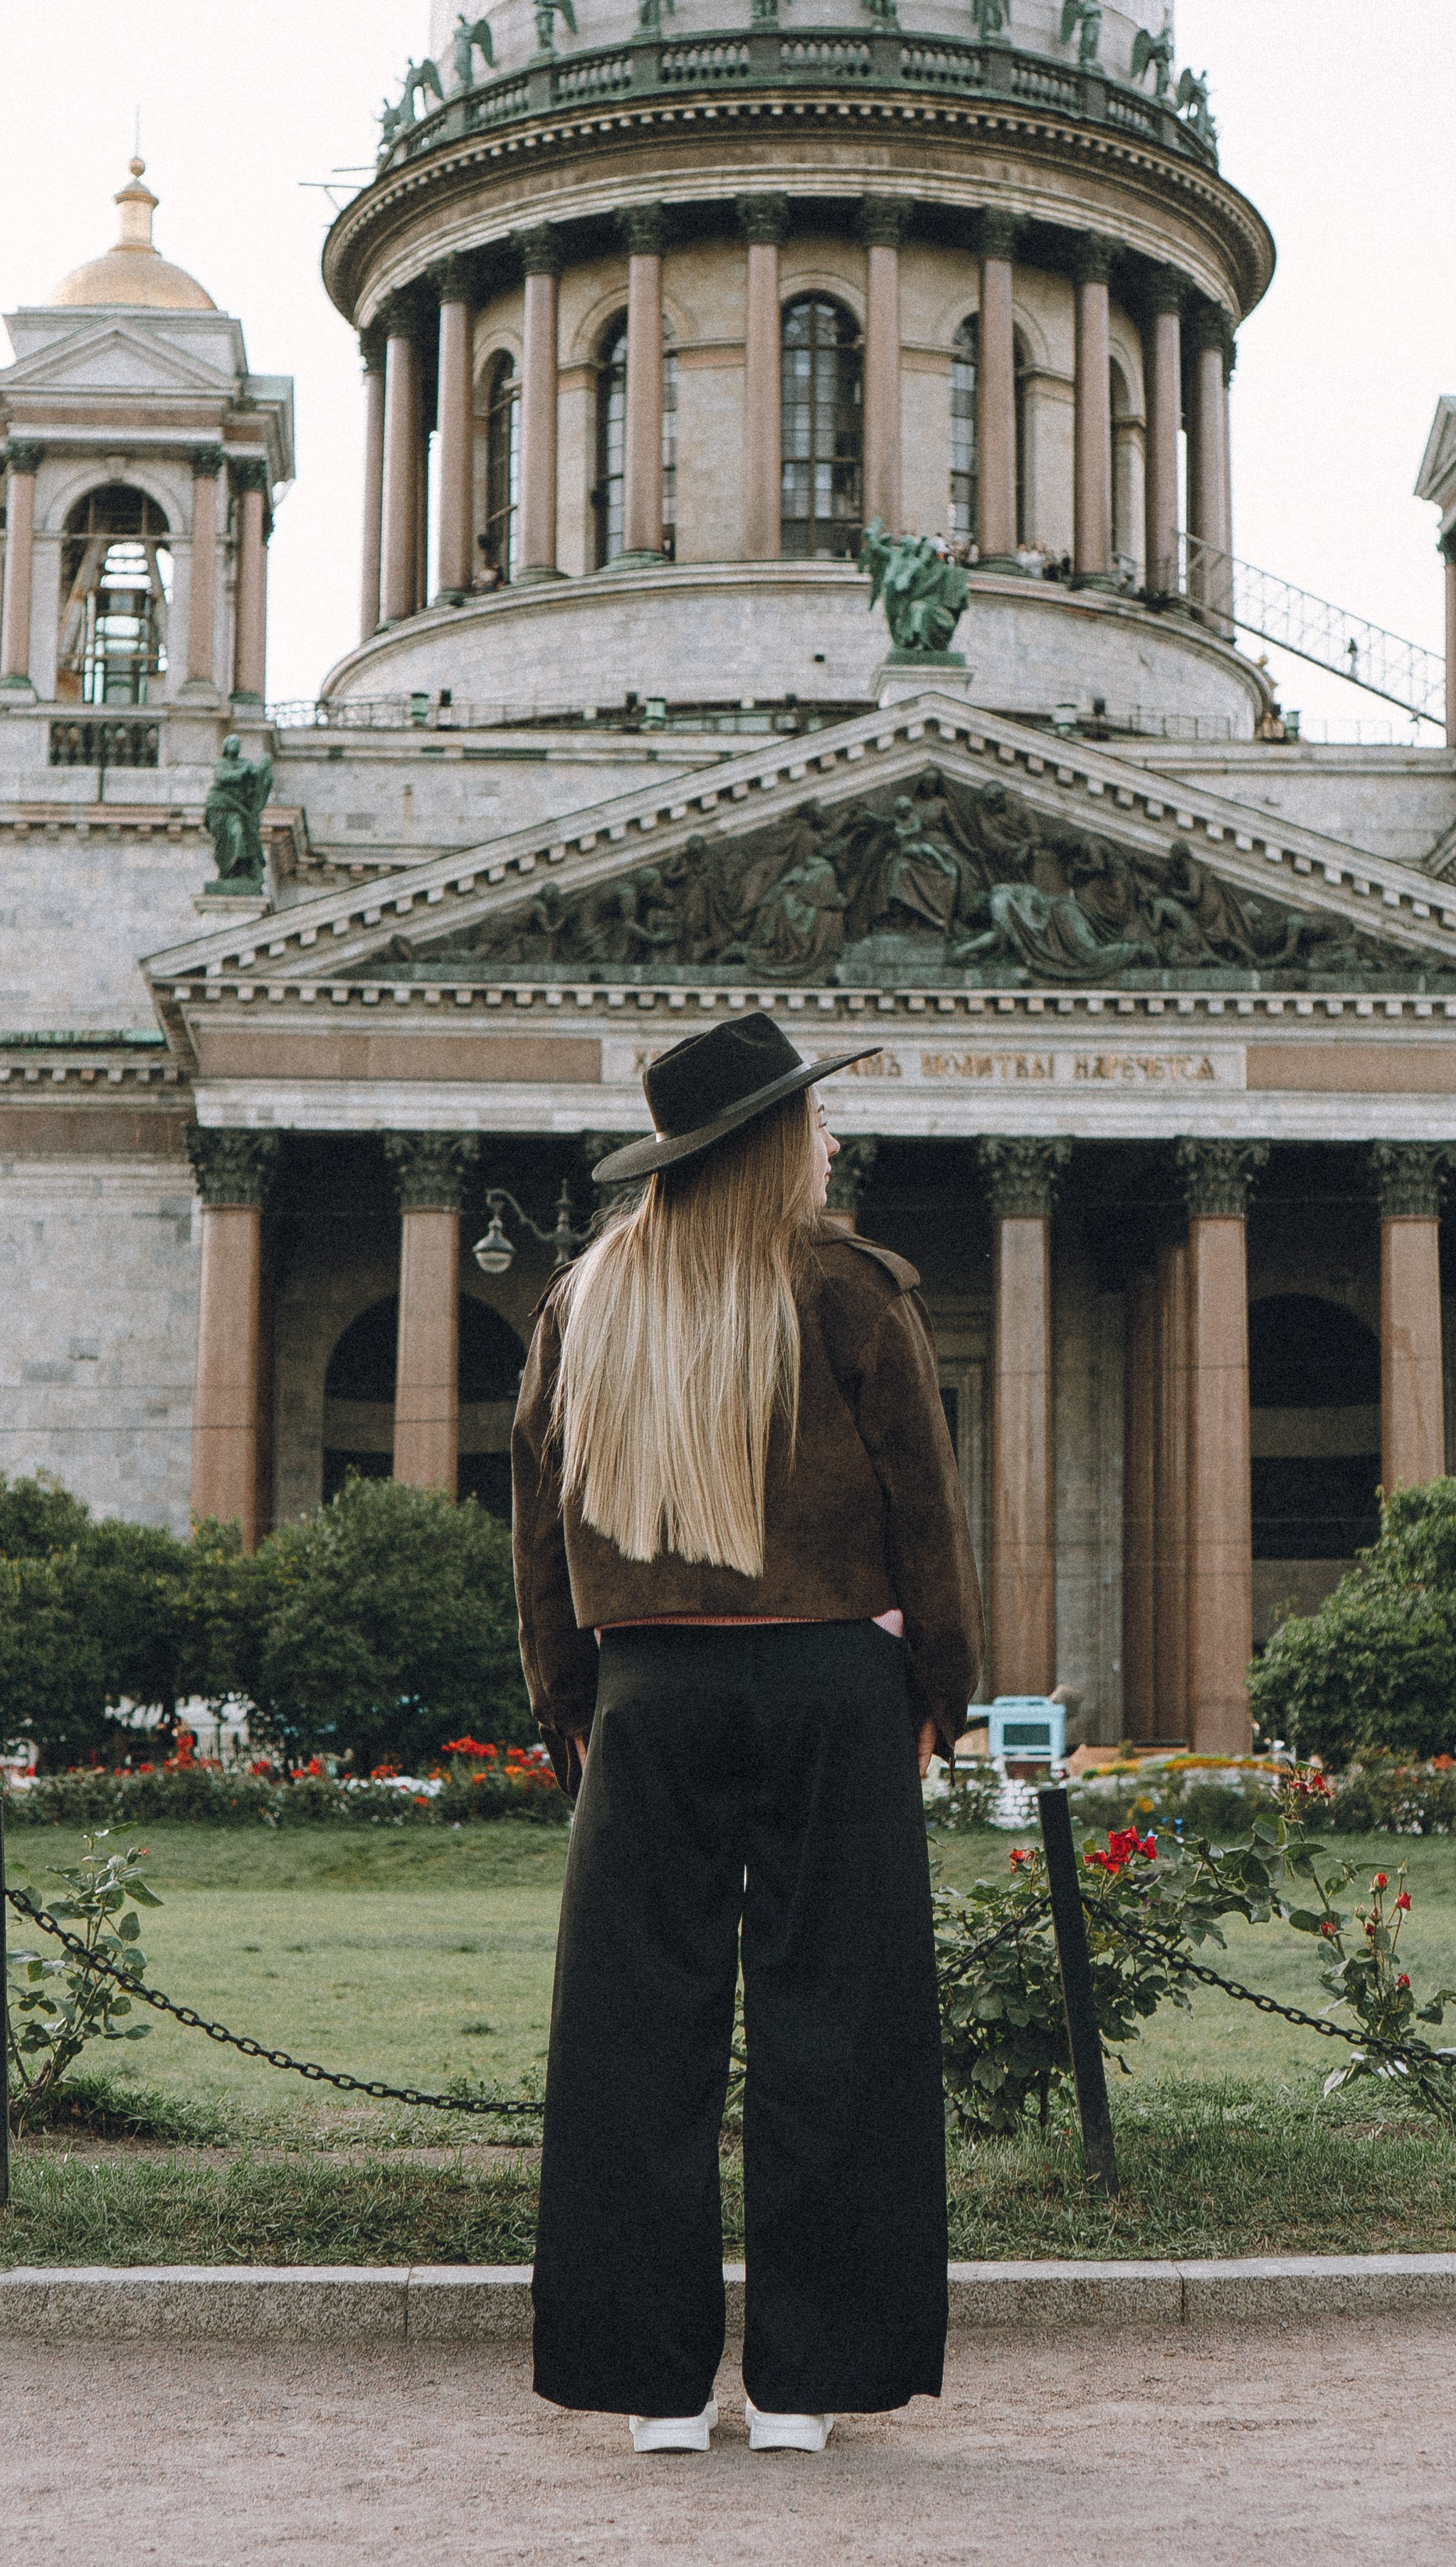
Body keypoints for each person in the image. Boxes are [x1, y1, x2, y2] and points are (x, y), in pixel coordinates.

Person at [512, 1011, 982, 2457]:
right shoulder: (849, 1288)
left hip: (650, 1690)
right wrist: (938, 1692)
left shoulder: (588, 1301)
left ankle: (649, 2388)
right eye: (813, 1119)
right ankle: (804, 2383)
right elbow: (924, 1508)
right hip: (835, 1683)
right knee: (838, 2021)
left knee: (627, 2034)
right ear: (778, 1143)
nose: (829, 1138)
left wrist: (569, 1706)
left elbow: (536, 1529)